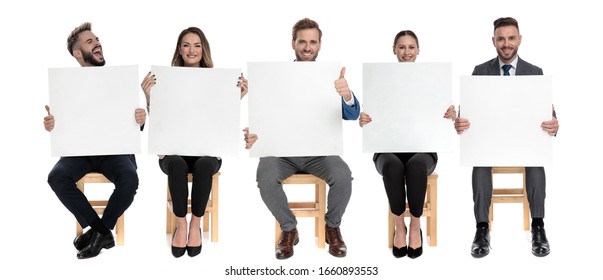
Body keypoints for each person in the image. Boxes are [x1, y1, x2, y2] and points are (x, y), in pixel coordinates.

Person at [243, 18, 360, 260]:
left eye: (313, 42)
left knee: (343, 176)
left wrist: (346, 94)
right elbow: (264, 114)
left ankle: (332, 227)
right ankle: (289, 229)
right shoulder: (275, 77)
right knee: (264, 177)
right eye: (302, 42)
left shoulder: (332, 77)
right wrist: (253, 134)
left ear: (320, 45)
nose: (307, 47)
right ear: (293, 44)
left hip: (320, 152)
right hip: (281, 153)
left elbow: (352, 115)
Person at [454, 17, 559, 258]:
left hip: (524, 141)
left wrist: (554, 123)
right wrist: (460, 122)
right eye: (501, 38)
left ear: (519, 39)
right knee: (479, 163)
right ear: (493, 41)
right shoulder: (480, 72)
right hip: (490, 142)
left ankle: (538, 226)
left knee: (535, 161)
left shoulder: (535, 73)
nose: (506, 43)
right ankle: (482, 229)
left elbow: (548, 112)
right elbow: (467, 113)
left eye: (511, 38)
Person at [140, 27, 248, 258]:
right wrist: (149, 97)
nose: (192, 50)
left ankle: (195, 224)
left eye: (197, 45)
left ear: (203, 49)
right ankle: (181, 224)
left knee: (204, 166)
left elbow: (221, 118)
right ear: (179, 49)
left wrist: (237, 97)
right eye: (186, 45)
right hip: (173, 153)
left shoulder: (217, 80)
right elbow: (160, 121)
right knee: (177, 164)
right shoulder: (166, 79)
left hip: (206, 152)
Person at [44, 22, 147, 259]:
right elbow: (63, 126)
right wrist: (52, 124)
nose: (98, 43)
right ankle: (102, 231)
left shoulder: (118, 80)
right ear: (78, 53)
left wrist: (140, 120)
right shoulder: (66, 86)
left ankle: (97, 234)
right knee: (56, 177)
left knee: (130, 179)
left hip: (115, 151)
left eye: (97, 39)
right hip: (79, 152)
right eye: (90, 42)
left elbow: (133, 125)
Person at [359, 30, 456, 259]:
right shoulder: (381, 80)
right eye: (401, 47)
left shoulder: (431, 79)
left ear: (418, 50)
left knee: (414, 166)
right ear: (394, 50)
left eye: (411, 47)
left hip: (423, 150)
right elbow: (373, 116)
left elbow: (440, 115)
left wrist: (450, 114)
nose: (406, 52)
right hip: (387, 149)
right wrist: (364, 120)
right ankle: (398, 225)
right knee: (393, 166)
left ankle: (414, 225)